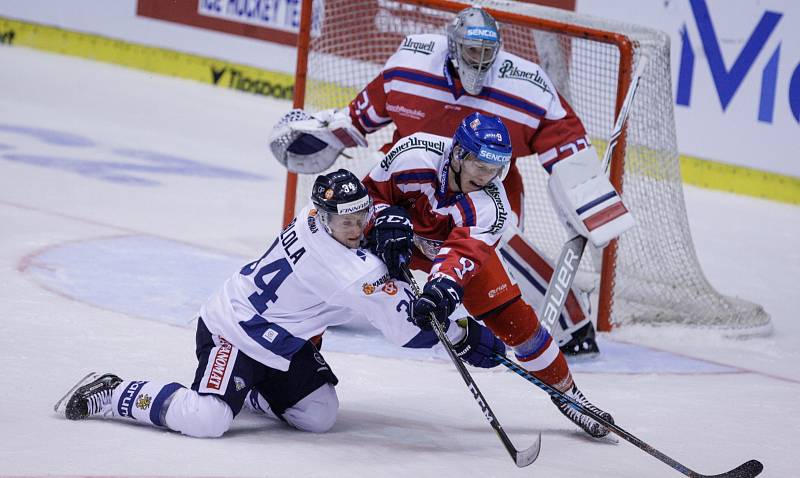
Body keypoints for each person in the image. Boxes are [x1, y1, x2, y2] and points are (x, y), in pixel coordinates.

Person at [268, 6, 634, 357]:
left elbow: (566, 141)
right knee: (348, 222)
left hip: (484, 192)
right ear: (453, 46)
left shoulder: (527, 86)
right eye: (472, 50)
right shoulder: (412, 64)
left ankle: (573, 321)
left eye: (488, 51)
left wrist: (585, 190)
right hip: (410, 190)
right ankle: (313, 296)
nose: (480, 60)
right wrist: (331, 132)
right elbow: (361, 114)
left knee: (501, 247)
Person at [54, 169, 505, 437]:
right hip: (233, 330)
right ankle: (113, 393)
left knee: (319, 415)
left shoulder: (314, 216)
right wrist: (463, 335)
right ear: (325, 219)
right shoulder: (349, 272)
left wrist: (386, 220)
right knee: (207, 419)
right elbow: (408, 329)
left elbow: (367, 229)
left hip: (282, 340)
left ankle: (247, 390)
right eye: (345, 222)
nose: (355, 227)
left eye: (360, 217)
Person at [364, 111, 614, 439]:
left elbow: (462, 254)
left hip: (448, 249)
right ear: (458, 155)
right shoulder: (413, 155)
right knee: (344, 275)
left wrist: (441, 289)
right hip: (400, 239)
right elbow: (367, 196)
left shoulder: (493, 205)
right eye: (481, 167)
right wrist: (385, 219)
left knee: (518, 323)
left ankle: (569, 395)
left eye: (495, 169)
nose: (487, 176)